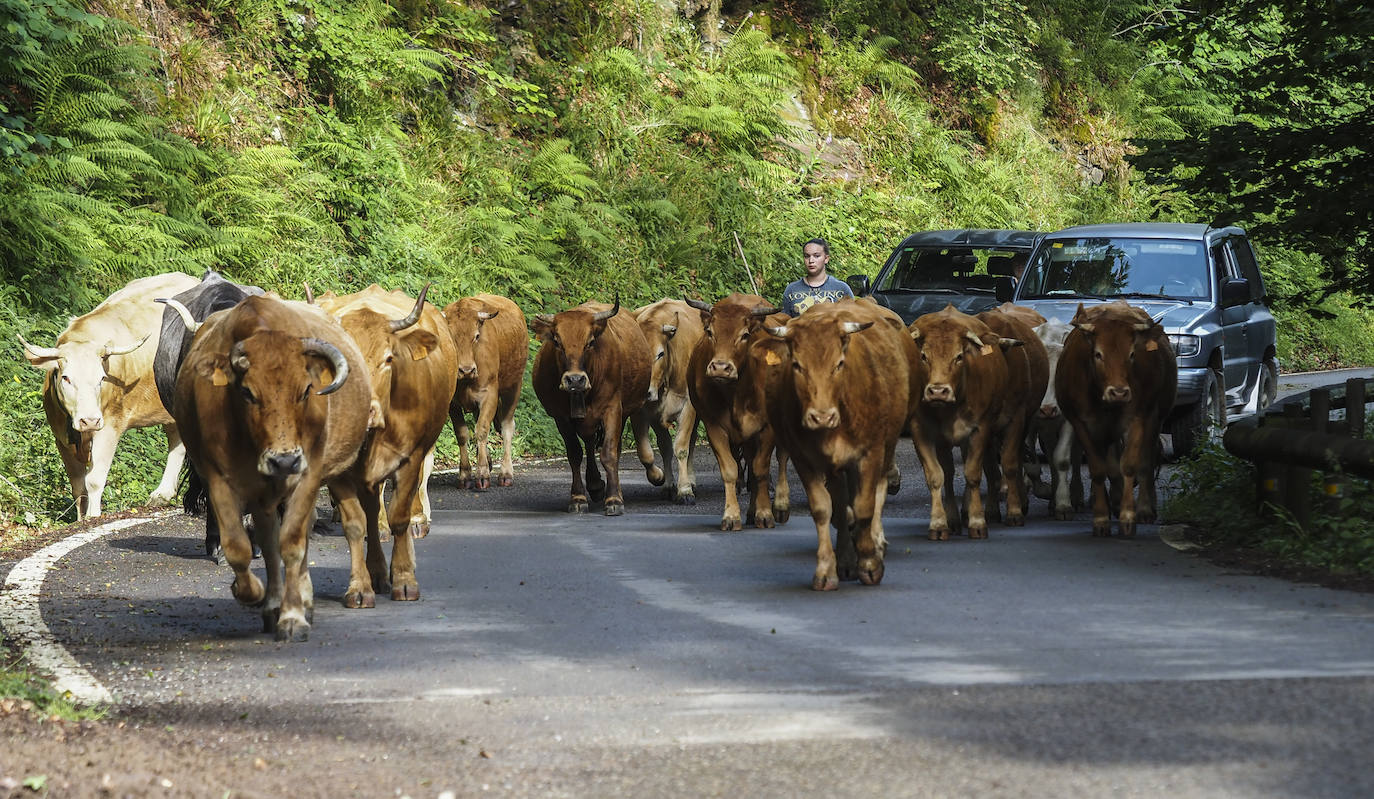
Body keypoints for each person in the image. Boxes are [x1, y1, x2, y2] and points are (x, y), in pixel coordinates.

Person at [781, 238, 853, 317]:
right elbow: (785, 322)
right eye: (807, 256)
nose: (811, 260)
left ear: (826, 259)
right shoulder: (792, 289)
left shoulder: (841, 289)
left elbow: (853, 319)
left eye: (816, 256)